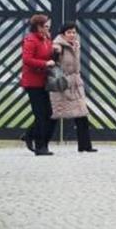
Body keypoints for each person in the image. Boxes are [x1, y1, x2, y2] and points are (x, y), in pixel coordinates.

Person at [50, 21, 98, 153]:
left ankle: (85, 146)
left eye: (74, 32)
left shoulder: (75, 45)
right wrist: (55, 53)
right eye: (69, 32)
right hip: (63, 85)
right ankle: (31, 135)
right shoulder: (57, 46)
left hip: (75, 85)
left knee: (82, 115)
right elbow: (52, 64)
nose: (72, 34)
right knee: (54, 114)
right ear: (63, 34)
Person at [19, 13, 56, 156]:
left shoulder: (47, 39)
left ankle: (29, 135)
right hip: (33, 83)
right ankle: (41, 147)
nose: (48, 28)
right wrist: (45, 63)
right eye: (46, 26)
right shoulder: (31, 40)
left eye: (49, 26)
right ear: (38, 27)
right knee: (41, 115)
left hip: (44, 82)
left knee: (50, 114)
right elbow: (27, 59)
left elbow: (49, 54)